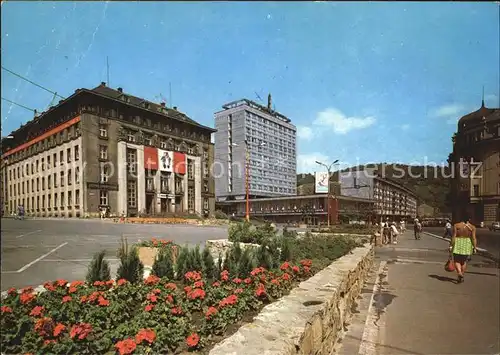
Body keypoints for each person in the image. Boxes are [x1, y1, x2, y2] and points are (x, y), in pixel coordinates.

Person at [449, 216, 477, 283]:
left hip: (458, 242)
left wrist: (451, 245)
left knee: (456, 260)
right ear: (469, 219)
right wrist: (474, 247)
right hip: (467, 243)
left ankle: (459, 273)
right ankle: (461, 274)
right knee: (464, 261)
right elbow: (473, 238)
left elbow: (454, 236)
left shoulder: (456, 225)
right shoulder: (472, 227)